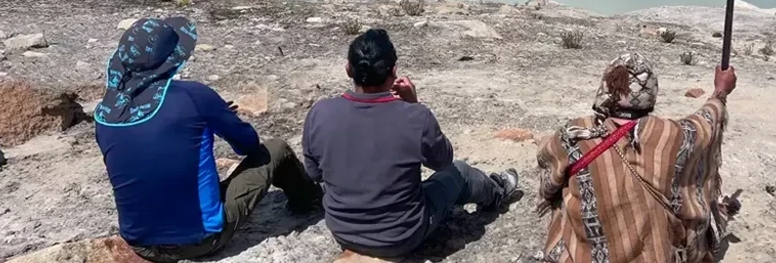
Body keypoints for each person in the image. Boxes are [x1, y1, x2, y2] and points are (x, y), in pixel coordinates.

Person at [94, 17, 322, 263]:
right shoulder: (193, 96)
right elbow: (248, 144)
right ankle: (309, 201)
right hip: (198, 240)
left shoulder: (105, 114)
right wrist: (216, 114)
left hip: (139, 243)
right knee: (275, 148)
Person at [302, 28, 521, 258]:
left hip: (342, 231)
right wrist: (414, 105)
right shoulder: (415, 117)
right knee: (461, 173)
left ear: (348, 69)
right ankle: (497, 191)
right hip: (402, 236)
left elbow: (315, 173)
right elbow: (443, 161)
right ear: (394, 72)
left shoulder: (319, 113)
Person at [536, 52, 738, 263]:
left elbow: (547, 171)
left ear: (607, 89)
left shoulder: (575, 133)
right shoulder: (672, 136)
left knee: (563, 193)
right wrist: (721, 90)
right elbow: (706, 122)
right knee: (685, 196)